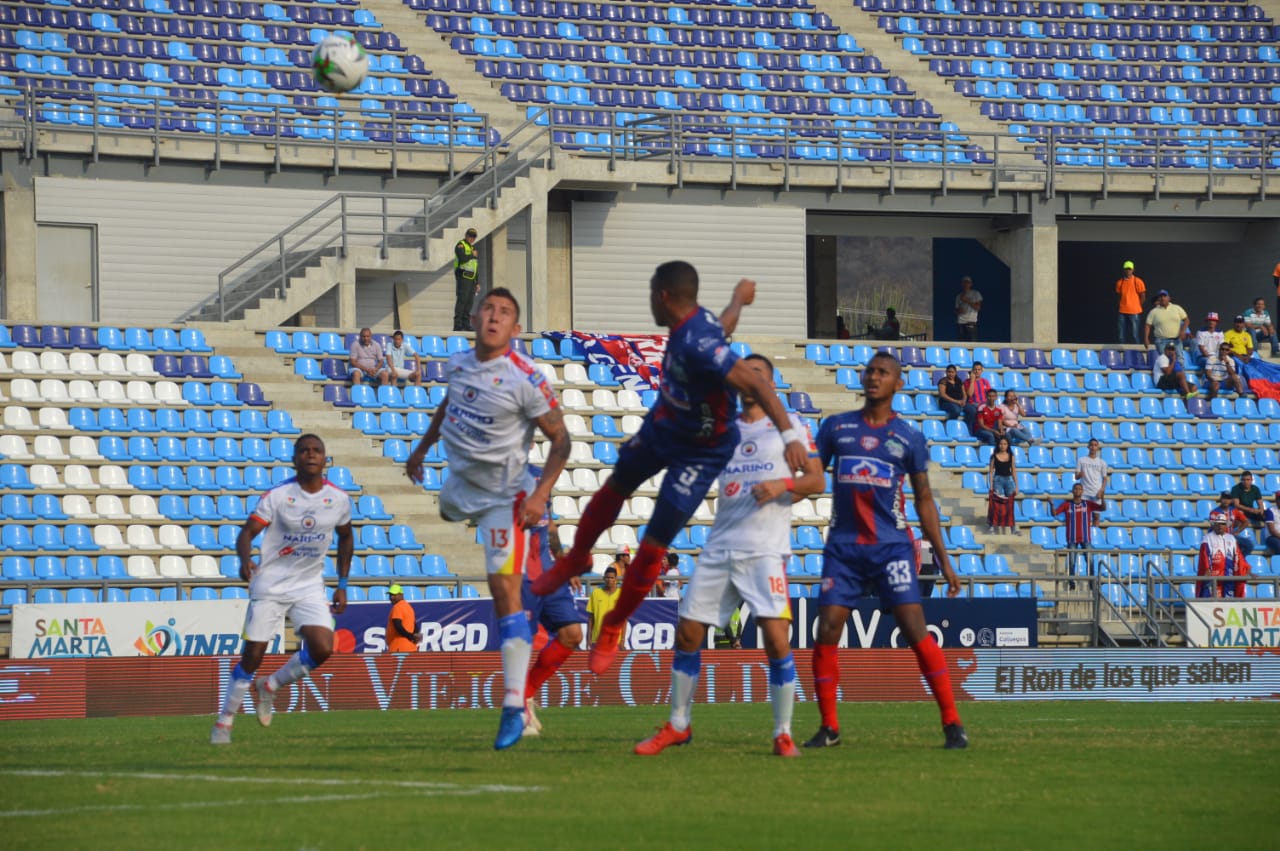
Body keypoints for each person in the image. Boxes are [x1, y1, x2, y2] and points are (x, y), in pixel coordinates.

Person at [531, 262, 808, 676]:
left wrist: (789, 436)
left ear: (662, 296)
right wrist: (738, 300)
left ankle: (614, 624)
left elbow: (757, 384)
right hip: (667, 421)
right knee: (614, 487)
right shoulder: (702, 324)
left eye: (650, 294)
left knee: (654, 542)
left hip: (703, 448)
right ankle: (575, 559)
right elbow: (724, 325)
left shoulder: (697, 341)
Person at [634, 353, 825, 758]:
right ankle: (679, 725)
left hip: (764, 550)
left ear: (770, 385)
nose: (750, 380)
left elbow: (817, 479)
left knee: (776, 640)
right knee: (687, 634)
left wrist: (780, 485)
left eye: (759, 375)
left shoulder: (789, 429)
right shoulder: (723, 431)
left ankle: (783, 732)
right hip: (720, 546)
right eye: (746, 374)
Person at [404, 287, 571, 750]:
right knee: (446, 508)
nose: (495, 317)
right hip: (459, 486)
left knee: (504, 593)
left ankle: (515, 707)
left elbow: (561, 440)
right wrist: (421, 448)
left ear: (515, 330)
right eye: (489, 310)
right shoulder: (457, 364)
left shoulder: (527, 377)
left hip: (505, 496)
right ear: (475, 318)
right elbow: (446, 406)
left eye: (505, 314)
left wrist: (542, 493)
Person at [804, 351, 967, 750]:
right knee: (827, 629)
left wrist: (944, 561)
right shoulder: (835, 428)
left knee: (914, 629)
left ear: (898, 384)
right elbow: (811, 478)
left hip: (891, 547)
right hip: (843, 548)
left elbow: (924, 499)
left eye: (883, 373)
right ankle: (829, 727)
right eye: (870, 371)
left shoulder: (908, 437)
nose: (873, 377)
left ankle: (952, 723)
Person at [210, 434, 353, 745]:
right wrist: (245, 559)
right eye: (304, 451)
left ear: (325, 459)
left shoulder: (339, 499)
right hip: (270, 584)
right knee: (253, 657)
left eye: (317, 450)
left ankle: (271, 686)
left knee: (323, 647)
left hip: (309, 586)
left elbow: (346, 537)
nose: (311, 455)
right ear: (294, 459)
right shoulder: (277, 496)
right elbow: (247, 533)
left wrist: (342, 584)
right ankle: (225, 721)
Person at [520, 465, 584, 737]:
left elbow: (551, 526)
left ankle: (526, 695)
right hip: (521, 575)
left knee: (573, 634)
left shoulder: (540, 474)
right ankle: (519, 709)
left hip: (549, 573)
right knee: (521, 645)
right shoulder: (504, 475)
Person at [1054, 482, 1105, 584]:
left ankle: (1091, 582)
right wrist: (1051, 505)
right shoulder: (1067, 505)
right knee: (1072, 561)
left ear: (1082, 491)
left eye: (1079, 489)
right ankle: (1071, 582)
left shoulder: (1088, 504)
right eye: (1076, 489)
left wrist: (1103, 498)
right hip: (1072, 538)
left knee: (1090, 561)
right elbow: (1054, 513)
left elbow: (1102, 508)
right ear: (1073, 491)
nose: (1077, 490)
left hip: (1085, 538)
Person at [1198, 509, 1245, 598]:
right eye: (1218, 523)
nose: (1220, 525)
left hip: (1228, 574)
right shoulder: (1207, 538)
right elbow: (1204, 555)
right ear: (1214, 525)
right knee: (1210, 599)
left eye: (1223, 524)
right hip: (1213, 575)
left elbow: (1238, 556)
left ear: (1226, 526)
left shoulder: (1231, 538)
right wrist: (1207, 569)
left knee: (1228, 600)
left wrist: (1245, 569)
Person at [986, 435, 1018, 535]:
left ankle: (1013, 527)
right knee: (996, 503)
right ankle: (992, 526)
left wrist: (1017, 485)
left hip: (1008, 480)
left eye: (1004, 444)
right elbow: (991, 471)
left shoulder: (1011, 456)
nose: (1002, 446)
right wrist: (991, 485)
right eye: (1001, 444)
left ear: (1008, 445)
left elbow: (1013, 471)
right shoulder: (994, 456)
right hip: (998, 479)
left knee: (1010, 503)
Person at [1144, 289, 1190, 356]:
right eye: (1160, 297)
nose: (1162, 298)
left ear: (1169, 298)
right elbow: (1147, 325)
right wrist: (1146, 338)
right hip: (1161, 340)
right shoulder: (1153, 312)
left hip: (1176, 339)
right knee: (1164, 360)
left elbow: (1186, 320)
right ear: (1158, 299)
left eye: (1164, 296)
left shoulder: (1177, 308)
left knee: (1180, 359)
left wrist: (1183, 331)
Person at [453, 227, 480, 331]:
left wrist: (477, 282)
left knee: (469, 302)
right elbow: (463, 259)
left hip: (471, 279)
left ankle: (466, 324)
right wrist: (472, 255)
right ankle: (457, 325)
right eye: (470, 236)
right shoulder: (460, 245)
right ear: (466, 235)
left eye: (474, 237)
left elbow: (475, 266)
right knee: (462, 301)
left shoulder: (473, 249)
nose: (471, 238)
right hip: (463, 277)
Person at [586, 566, 621, 646]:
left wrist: (622, 640)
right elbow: (591, 618)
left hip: (615, 640)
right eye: (607, 577)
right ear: (604, 578)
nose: (609, 580)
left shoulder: (621, 594)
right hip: (597, 639)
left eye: (612, 578)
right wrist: (588, 638)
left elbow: (624, 619)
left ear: (616, 579)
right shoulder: (595, 594)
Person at [1229, 471, 1266, 548]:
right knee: (1238, 518)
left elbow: (1260, 503)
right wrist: (1250, 510)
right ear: (1241, 480)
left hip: (1249, 511)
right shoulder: (1236, 488)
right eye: (1244, 480)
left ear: (1251, 480)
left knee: (1268, 515)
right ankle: (1235, 537)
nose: (1246, 482)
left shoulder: (1255, 489)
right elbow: (1236, 504)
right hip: (1239, 510)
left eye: (1248, 479)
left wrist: (1261, 510)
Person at [1114, 260, 1146, 345]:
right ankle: (1122, 353)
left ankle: (1138, 353)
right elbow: (1118, 296)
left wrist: (1137, 306)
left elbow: (1143, 296)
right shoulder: (1119, 282)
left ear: (1133, 270)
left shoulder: (1138, 281)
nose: (1128, 271)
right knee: (1121, 335)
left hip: (1134, 312)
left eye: (1130, 269)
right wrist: (1121, 305)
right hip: (1122, 311)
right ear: (1124, 270)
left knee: (1135, 335)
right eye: (1126, 269)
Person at [1216, 490, 1254, 558]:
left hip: (1231, 536)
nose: (1226, 501)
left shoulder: (1233, 511)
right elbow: (1217, 527)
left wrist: (1237, 531)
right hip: (1219, 536)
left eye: (1228, 498)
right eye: (1224, 498)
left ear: (1230, 500)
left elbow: (1246, 521)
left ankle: (1238, 560)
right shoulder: (1215, 512)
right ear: (1221, 499)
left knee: (1249, 544)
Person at [385, 583, 421, 653]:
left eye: (394, 595)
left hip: (398, 647)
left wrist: (410, 636)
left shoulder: (397, 607)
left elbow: (398, 626)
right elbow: (415, 626)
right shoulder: (409, 607)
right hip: (411, 647)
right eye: (390, 595)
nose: (391, 597)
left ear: (401, 595)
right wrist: (414, 638)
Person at [960, 361, 991, 433]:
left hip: (983, 403)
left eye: (979, 369)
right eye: (975, 369)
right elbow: (970, 394)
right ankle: (970, 431)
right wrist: (972, 381)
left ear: (982, 370)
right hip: (972, 403)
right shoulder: (967, 382)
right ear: (972, 370)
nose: (977, 371)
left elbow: (989, 395)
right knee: (974, 411)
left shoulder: (985, 381)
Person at [954, 275, 982, 342]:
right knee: (961, 343)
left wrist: (967, 301)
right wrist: (959, 311)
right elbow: (955, 310)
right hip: (960, 322)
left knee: (972, 343)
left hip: (971, 321)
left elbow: (978, 308)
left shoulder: (976, 293)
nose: (966, 284)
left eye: (968, 282)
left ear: (971, 284)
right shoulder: (959, 296)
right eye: (964, 282)